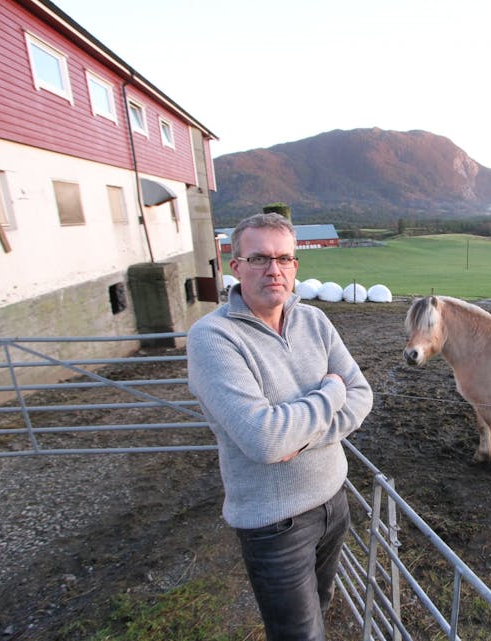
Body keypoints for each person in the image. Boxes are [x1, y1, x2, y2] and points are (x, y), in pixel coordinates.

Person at [187, 213, 373, 641]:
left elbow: (361, 395)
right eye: (259, 258)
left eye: (284, 258)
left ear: (295, 266)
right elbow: (265, 439)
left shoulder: (315, 322)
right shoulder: (213, 338)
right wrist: (329, 393)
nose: (274, 269)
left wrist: (295, 437)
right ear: (235, 266)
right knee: (297, 635)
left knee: (322, 604)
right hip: (275, 524)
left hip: (334, 501)